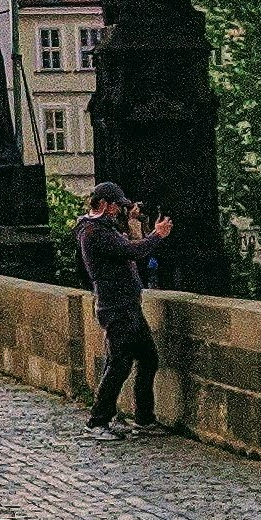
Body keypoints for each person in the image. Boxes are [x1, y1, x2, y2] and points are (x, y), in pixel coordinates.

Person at [77, 181, 172, 431]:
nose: (118, 210)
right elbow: (131, 251)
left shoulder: (101, 228)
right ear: (104, 204)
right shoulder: (94, 232)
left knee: (148, 359)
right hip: (117, 309)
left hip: (127, 306)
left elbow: (130, 248)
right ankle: (98, 422)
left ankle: (144, 418)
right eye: (116, 206)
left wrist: (133, 225)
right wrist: (157, 235)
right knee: (118, 365)